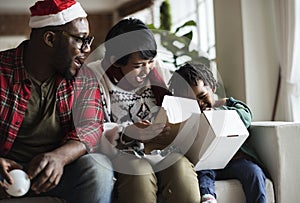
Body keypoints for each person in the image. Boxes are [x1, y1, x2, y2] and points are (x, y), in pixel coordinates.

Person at [0, 0, 113, 202]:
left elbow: (91, 127)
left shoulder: (84, 77)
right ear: (50, 39)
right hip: (6, 173)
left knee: (98, 168)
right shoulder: (2, 70)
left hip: (59, 172)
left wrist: (60, 157)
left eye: (88, 40)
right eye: (80, 39)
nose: (87, 49)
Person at [88, 18, 200, 203]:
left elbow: (179, 109)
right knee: (139, 175)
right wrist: (128, 133)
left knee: (182, 175)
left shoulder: (159, 71)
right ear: (115, 61)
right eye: (138, 66)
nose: (146, 70)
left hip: (161, 150)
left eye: (150, 62)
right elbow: (90, 129)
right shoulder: (93, 76)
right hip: (122, 153)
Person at [169, 62, 267, 203]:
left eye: (202, 96)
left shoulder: (229, 105)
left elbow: (246, 117)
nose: (199, 104)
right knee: (203, 174)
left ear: (213, 89)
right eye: (190, 102)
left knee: (254, 173)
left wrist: (217, 114)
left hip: (236, 161)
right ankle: (208, 198)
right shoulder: (184, 117)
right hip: (206, 164)